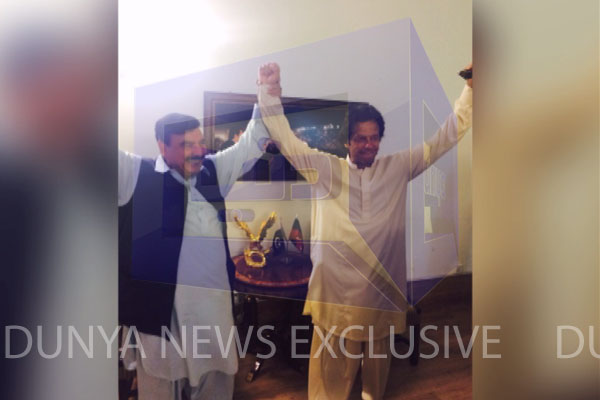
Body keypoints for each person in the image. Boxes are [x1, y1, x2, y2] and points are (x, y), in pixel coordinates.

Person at [256, 62, 472, 400]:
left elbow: (445, 137)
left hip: (379, 287)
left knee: (376, 358)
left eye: (374, 138)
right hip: (335, 288)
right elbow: (284, 138)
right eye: (361, 139)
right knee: (331, 362)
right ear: (347, 141)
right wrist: (269, 92)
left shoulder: (398, 166)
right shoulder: (323, 167)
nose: (369, 145)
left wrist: (470, 89)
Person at [118, 110, 269, 400]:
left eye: (200, 142)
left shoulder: (213, 171)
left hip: (213, 316)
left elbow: (252, 143)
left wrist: (267, 95)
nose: (199, 151)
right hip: (161, 323)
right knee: (161, 389)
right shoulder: (135, 174)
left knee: (216, 388)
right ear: (162, 146)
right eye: (187, 145)